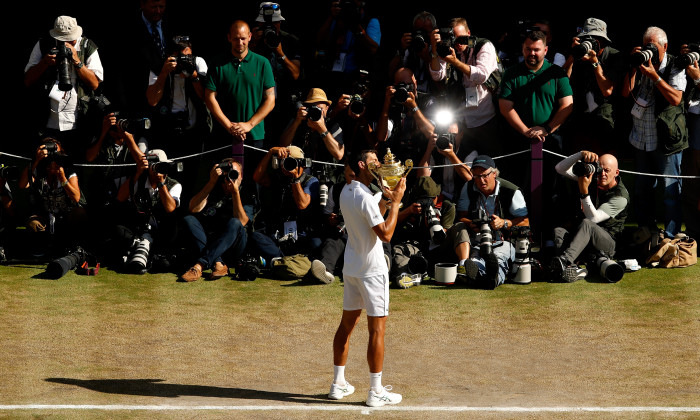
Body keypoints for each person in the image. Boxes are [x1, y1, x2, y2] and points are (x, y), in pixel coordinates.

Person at [329, 149, 405, 407]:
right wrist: (395, 203)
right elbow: (385, 234)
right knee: (377, 330)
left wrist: (385, 197)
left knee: (346, 326)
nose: (380, 165)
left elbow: (370, 212)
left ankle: (338, 384)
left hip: (351, 268)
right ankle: (376, 391)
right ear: (362, 164)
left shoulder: (347, 191)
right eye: (374, 161)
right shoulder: (364, 197)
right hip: (372, 271)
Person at [498, 29, 573, 239]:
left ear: (546, 50)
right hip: (517, 140)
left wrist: (546, 129)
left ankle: (551, 235)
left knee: (553, 189)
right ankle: (520, 231)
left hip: (551, 141)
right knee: (518, 188)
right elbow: (505, 106)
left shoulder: (556, 74)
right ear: (523, 49)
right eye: (528, 49)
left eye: (537, 50)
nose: (532, 53)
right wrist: (526, 131)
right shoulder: (511, 73)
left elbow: (567, 106)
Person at [621, 26, 687, 239]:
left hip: (666, 140)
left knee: (670, 191)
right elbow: (625, 93)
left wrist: (654, 76)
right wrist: (632, 68)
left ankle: (670, 236)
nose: (649, 50)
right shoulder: (640, 62)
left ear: (665, 46)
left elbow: (676, 98)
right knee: (642, 190)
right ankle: (645, 232)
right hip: (641, 138)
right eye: (646, 45)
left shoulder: (676, 64)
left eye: (653, 46)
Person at [204, 19, 276, 184]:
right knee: (223, 180)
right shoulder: (217, 63)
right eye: (236, 38)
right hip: (223, 133)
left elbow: (270, 100)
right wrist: (229, 126)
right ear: (229, 38)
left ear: (250, 37)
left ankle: (252, 208)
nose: (240, 42)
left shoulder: (262, 63)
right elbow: (209, 97)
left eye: (243, 38)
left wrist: (249, 124)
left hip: (254, 134)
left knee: (253, 178)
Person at [23, 16, 103, 154]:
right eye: (61, 40)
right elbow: (28, 80)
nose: (65, 44)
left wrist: (77, 61)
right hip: (47, 123)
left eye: (70, 40)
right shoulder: (44, 44)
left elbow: (95, 83)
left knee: (74, 164)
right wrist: (44, 63)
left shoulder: (87, 46)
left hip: (78, 122)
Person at [145, 34, 209, 201]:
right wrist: (164, 73)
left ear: (191, 51)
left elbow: (206, 98)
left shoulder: (198, 62)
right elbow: (152, 100)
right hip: (166, 132)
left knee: (192, 178)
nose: (181, 60)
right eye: (177, 55)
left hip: (193, 131)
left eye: (185, 55)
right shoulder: (160, 66)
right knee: (168, 176)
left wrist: (194, 76)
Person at [428, 17, 503, 159]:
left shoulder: (483, 46)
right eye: (454, 39)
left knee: (489, 164)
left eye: (461, 39)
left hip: (486, 119)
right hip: (462, 122)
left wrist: (455, 62)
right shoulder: (449, 48)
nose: (458, 44)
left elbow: (481, 75)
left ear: (469, 33)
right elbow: (437, 75)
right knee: (466, 164)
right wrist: (435, 51)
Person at [550, 150, 629, 282]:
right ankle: (574, 269)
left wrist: (584, 192)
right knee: (559, 231)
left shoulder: (621, 196)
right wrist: (580, 154)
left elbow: (594, 219)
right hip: (585, 239)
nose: (602, 174)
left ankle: (565, 261)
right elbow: (560, 168)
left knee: (587, 223)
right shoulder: (593, 178)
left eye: (607, 170)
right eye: (600, 169)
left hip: (607, 244)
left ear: (616, 173)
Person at [454, 155, 529, 289]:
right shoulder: (468, 187)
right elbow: (461, 217)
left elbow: (525, 221)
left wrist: (504, 223)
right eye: (476, 176)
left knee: (499, 258)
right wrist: (471, 223)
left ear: (494, 173)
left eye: (484, 175)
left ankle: (492, 279)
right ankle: (482, 277)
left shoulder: (511, 190)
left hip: (504, 239)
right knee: (475, 259)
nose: (481, 180)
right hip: (478, 238)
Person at [179, 158, 252, 282]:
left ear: (241, 177)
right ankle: (218, 263)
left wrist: (235, 193)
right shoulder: (214, 188)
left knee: (235, 223)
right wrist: (211, 182)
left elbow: (242, 221)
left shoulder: (247, 193)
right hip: (211, 239)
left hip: (234, 245)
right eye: (228, 173)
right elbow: (193, 208)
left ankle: (200, 265)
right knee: (189, 219)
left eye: (235, 174)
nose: (231, 178)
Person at [562, 18, 625, 155]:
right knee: (580, 164)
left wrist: (595, 63)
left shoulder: (614, 56)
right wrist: (573, 55)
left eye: (595, 38)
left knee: (604, 163)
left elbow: (607, 90)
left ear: (603, 40)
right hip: (581, 118)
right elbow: (563, 82)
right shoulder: (579, 54)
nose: (590, 42)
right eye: (586, 38)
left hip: (605, 120)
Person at [115, 149, 182, 274]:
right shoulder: (139, 179)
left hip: (160, 231)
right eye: (155, 166)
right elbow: (120, 198)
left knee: (173, 221)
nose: (157, 169)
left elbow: (170, 208)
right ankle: (139, 247)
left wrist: (161, 183)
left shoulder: (174, 184)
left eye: (162, 166)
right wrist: (138, 172)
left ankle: (152, 252)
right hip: (138, 229)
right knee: (118, 228)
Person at [18, 138, 88, 258]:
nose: (53, 158)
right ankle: (41, 245)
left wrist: (63, 179)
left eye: (57, 153)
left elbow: (76, 197)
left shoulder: (68, 170)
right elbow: (23, 185)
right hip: (45, 216)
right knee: (33, 223)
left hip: (65, 217)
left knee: (80, 213)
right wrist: (36, 160)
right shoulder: (39, 170)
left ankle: (72, 245)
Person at [250, 146, 321, 261]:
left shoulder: (311, 181)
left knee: (316, 243)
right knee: (256, 236)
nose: (286, 166)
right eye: (283, 162)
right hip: (279, 235)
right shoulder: (278, 178)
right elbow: (257, 177)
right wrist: (271, 152)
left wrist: (295, 179)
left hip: (301, 236)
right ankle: (283, 259)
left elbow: (302, 204)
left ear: (301, 164)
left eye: (291, 162)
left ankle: (279, 260)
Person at [251, 2, 303, 144]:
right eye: (266, 24)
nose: (271, 27)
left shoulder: (291, 41)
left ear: (280, 22)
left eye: (274, 23)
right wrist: (252, 45)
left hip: (285, 101)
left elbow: (295, 74)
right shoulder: (252, 42)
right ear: (259, 24)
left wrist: (280, 53)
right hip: (259, 101)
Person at [279, 88, 345, 185]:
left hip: (327, 180)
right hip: (301, 177)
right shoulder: (300, 123)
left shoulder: (333, 126)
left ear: (327, 108)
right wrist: (296, 121)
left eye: (319, 109)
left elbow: (339, 154)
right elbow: (282, 145)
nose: (316, 111)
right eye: (312, 108)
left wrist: (322, 129)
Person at [375, 67, 436, 169]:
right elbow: (381, 137)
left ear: (416, 84)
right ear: (394, 86)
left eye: (409, 85)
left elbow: (430, 133)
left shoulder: (427, 101)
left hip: (421, 154)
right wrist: (386, 104)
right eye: (401, 85)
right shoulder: (390, 102)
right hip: (394, 157)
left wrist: (414, 107)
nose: (405, 89)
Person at [388, 11, 438, 96]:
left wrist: (427, 59)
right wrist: (401, 51)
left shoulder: (437, 49)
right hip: (407, 95)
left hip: (431, 96)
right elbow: (390, 75)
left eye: (425, 32)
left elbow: (440, 84)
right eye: (419, 31)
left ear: (434, 31)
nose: (421, 35)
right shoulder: (407, 47)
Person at [680, 44, 700, 238]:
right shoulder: (690, 65)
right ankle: (694, 233)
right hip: (689, 130)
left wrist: (698, 78)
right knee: (690, 189)